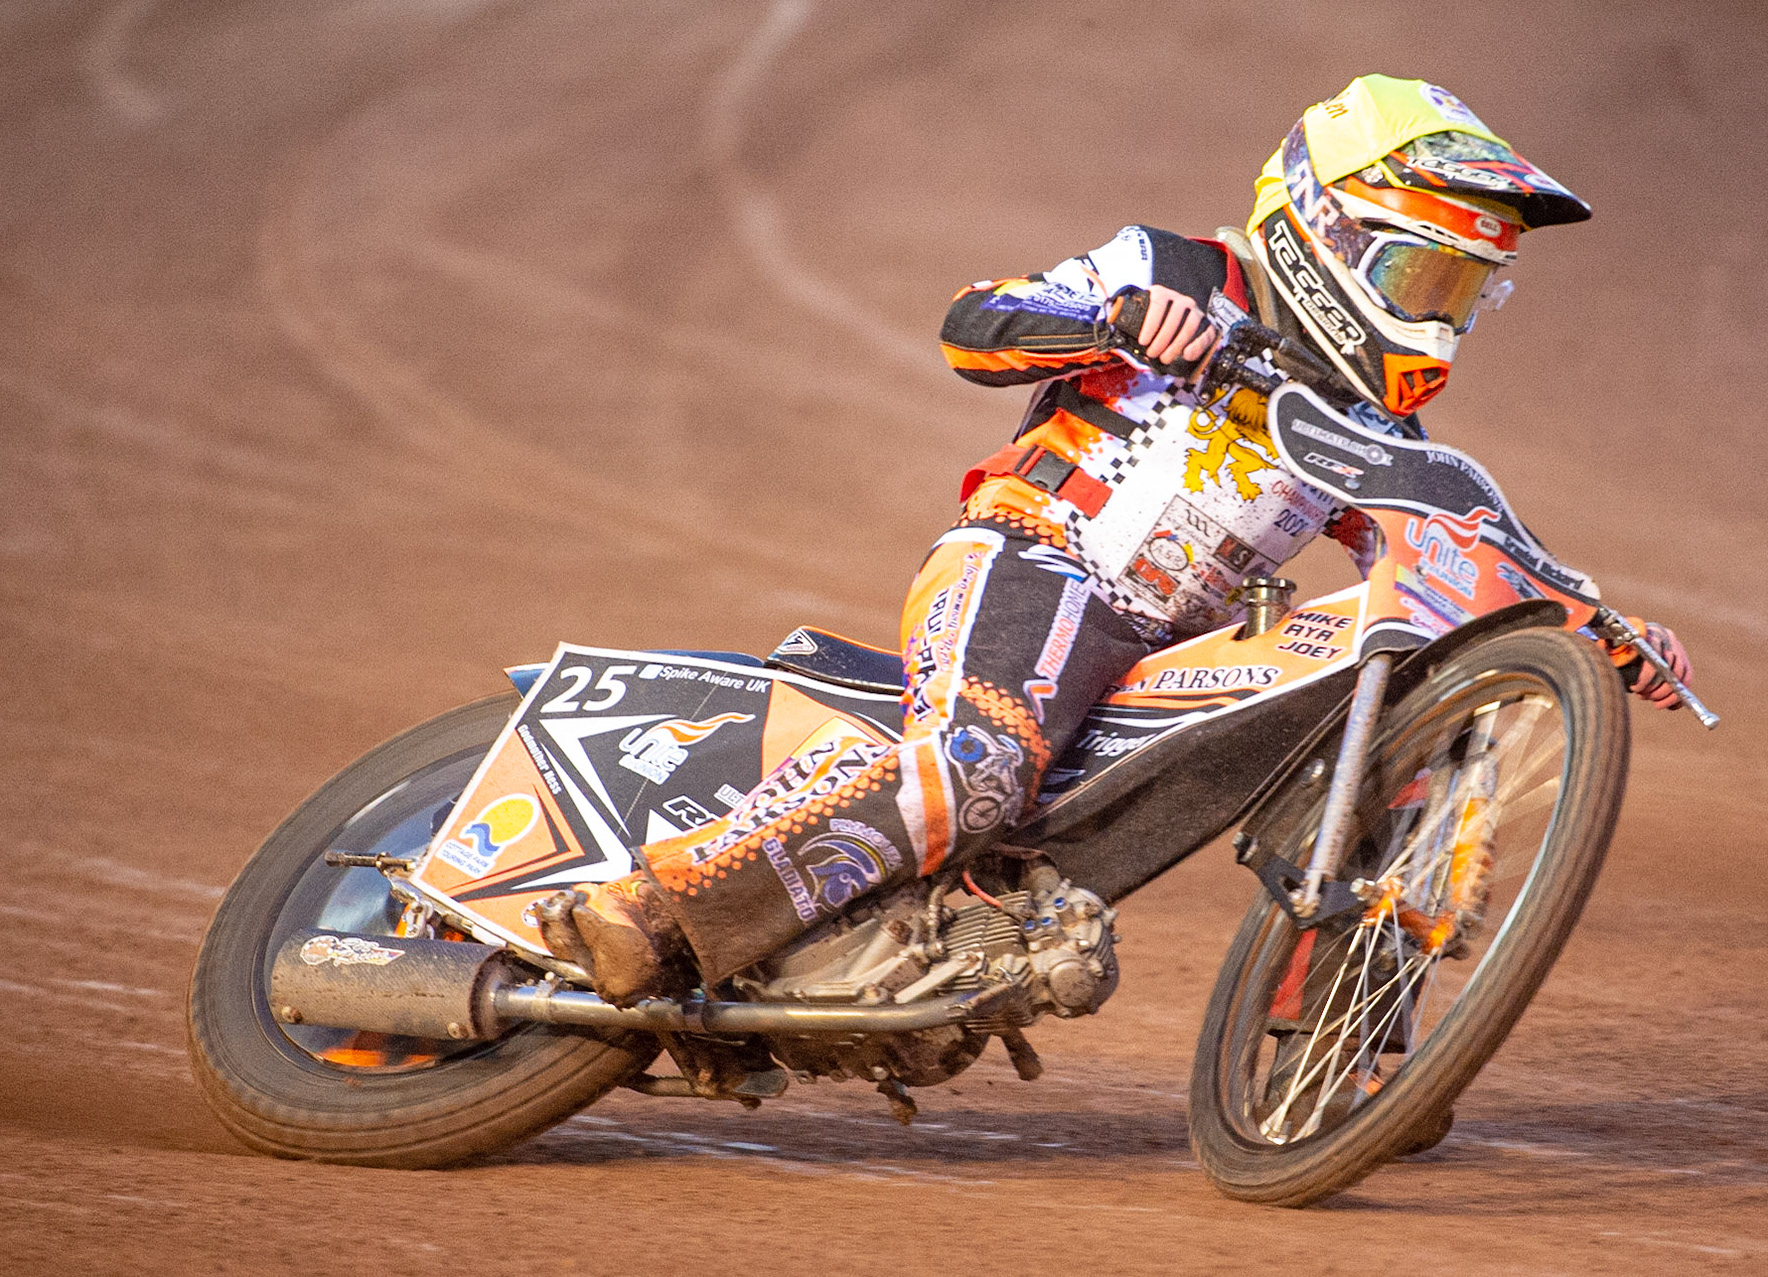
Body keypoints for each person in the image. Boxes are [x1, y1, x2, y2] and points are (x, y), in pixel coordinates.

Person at [536, 74, 1694, 1007]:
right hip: (1037, 562)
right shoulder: (1182, 269)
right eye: (1422, 272)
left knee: (1407, 693)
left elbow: (1453, 531)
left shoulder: (1373, 424)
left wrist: (1591, 621)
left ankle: (1357, 1025)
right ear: (1330, 225)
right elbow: (975, 323)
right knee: (982, 763)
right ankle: (657, 905)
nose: (1439, 311)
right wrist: (1115, 317)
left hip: (1155, 659)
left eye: (1463, 288)